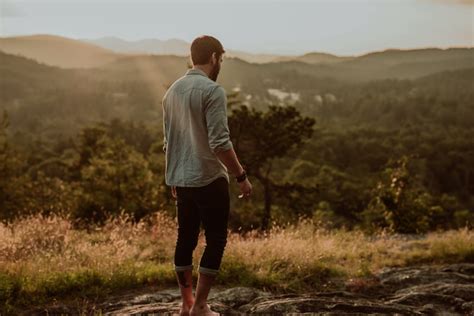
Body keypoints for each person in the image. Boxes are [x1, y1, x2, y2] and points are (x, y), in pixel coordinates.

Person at [162, 35, 252, 316]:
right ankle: (200, 306)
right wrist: (240, 175)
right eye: (221, 59)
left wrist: (175, 176)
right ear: (214, 57)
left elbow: (169, 141)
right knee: (216, 239)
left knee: (185, 239)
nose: (220, 64)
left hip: (182, 179)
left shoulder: (171, 92)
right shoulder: (213, 91)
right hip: (210, 178)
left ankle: (186, 305)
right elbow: (220, 143)